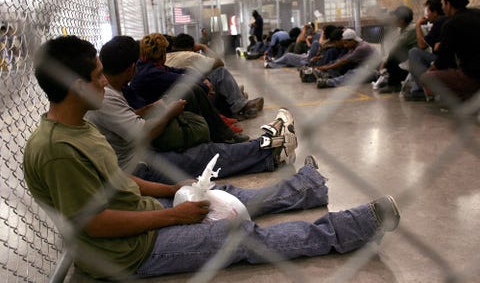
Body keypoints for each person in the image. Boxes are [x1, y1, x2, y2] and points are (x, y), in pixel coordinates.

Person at [24, 35, 400, 280]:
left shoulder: (81, 126)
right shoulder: (57, 150)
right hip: (126, 251)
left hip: (140, 212)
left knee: (222, 193)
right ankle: (354, 226)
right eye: (97, 76)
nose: (105, 82)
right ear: (76, 87)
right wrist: (175, 214)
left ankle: (305, 187)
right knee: (240, 237)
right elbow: (96, 224)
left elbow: (118, 180)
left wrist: (174, 189)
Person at [86, 35, 297, 183]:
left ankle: (260, 147)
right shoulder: (107, 96)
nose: (101, 80)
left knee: (202, 150)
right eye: (98, 74)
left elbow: (127, 118)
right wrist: (170, 111)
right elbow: (143, 133)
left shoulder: (113, 90)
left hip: (139, 154)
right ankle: (271, 151)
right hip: (139, 167)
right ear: (132, 66)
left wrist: (153, 107)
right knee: (205, 155)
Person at [128, 33, 248, 143]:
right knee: (195, 87)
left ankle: (223, 132)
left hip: (157, 108)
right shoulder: (150, 72)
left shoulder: (148, 65)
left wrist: (202, 80)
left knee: (194, 88)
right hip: (155, 116)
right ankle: (226, 128)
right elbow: (181, 78)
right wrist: (205, 85)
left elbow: (179, 71)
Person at [166, 33, 264, 120]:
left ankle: (239, 96)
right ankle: (240, 105)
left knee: (206, 76)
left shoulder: (166, 57)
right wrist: (203, 47)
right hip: (195, 97)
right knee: (220, 72)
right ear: (191, 47)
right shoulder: (190, 55)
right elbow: (220, 63)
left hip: (174, 99)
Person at [420, 0, 480, 101]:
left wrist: (427, 72)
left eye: (443, 3)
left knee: (427, 78)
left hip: (472, 75)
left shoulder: (451, 24)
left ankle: (463, 98)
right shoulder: (477, 14)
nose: (442, 7)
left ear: (448, 4)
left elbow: (443, 61)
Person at [406, 0, 448, 101]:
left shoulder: (439, 22)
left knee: (414, 53)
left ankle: (422, 89)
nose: (426, 15)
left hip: (443, 61)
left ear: (435, 13)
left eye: (428, 11)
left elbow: (422, 45)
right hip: (447, 59)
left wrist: (418, 26)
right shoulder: (446, 20)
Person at [315, 29, 380, 88]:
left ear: (353, 40)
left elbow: (344, 61)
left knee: (353, 74)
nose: (345, 45)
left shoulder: (361, 48)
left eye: (346, 43)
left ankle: (328, 82)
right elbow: (343, 59)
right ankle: (328, 75)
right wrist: (327, 66)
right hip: (363, 67)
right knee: (339, 62)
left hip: (373, 71)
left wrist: (326, 68)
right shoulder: (353, 46)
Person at [377, 6, 418, 93]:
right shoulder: (402, 29)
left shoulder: (411, 29)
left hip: (417, 58)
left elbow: (396, 46)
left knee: (393, 55)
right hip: (408, 57)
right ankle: (391, 80)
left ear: (402, 20)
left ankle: (393, 85)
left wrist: (384, 61)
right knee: (389, 58)